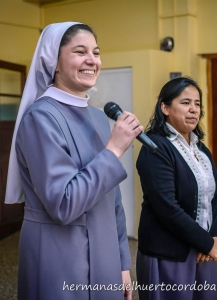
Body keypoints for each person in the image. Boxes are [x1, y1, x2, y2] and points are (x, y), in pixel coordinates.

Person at [4, 22, 143, 300]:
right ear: (54, 62)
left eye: (96, 52)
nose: (92, 60)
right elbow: (64, 205)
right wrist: (113, 150)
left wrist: (122, 264)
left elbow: (112, 201)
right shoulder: (41, 118)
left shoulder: (98, 117)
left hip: (105, 253)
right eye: (80, 52)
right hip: (61, 255)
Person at [135, 77, 217, 300]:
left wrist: (212, 239)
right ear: (165, 107)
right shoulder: (154, 147)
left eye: (197, 104)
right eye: (185, 103)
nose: (194, 109)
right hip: (168, 252)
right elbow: (167, 207)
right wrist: (205, 242)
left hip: (203, 251)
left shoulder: (199, 147)